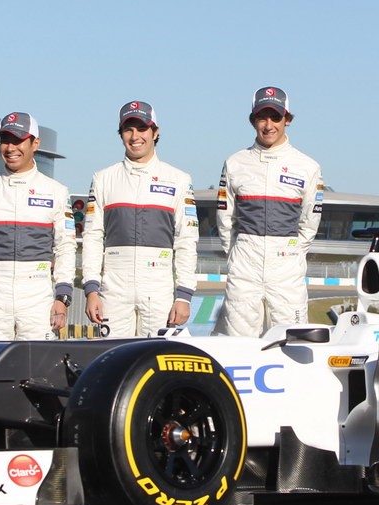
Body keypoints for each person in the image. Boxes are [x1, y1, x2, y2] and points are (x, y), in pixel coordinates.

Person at [81, 100, 199, 336]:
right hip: (113, 289)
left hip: (159, 288)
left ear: (155, 133)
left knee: (159, 361)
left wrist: (184, 295)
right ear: (121, 134)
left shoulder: (179, 179)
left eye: (142, 128)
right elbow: (92, 238)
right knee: (113, 362)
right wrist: (91, 290)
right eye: (128, 129)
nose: (135, 136)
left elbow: (186, 240)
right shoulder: (103, 178)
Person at [0, 112, 76, 340]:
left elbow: (65, 248)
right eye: (5, 140)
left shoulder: (57, 192)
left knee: (39, 368)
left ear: (35, 143)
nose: (11, 148)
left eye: (18, 140)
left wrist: (62, 297)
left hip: (37, 296)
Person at [214, 87, 324, 337]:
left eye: (275, 117)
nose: (268, 125)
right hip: (245, 263)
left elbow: (309, 223)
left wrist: (291, 252)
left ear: (287, 119)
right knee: (238, 344)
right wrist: (240, 252)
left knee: (292, 342)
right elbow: (225, 219)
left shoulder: (307, 166)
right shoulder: (234, 162)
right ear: (253, 120)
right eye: (262, 117)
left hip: (286, 266)